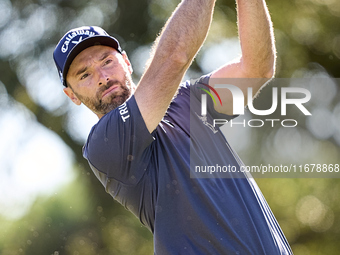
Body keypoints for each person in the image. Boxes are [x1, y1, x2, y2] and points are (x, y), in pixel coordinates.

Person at [53, 0, 292, 254]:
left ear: (126, 62)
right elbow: (175, 57)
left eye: (107, 61)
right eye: (85, 75)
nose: (103, 77)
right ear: (72, 96)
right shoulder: (104, 145)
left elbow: (257, 68)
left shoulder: (188, 99)